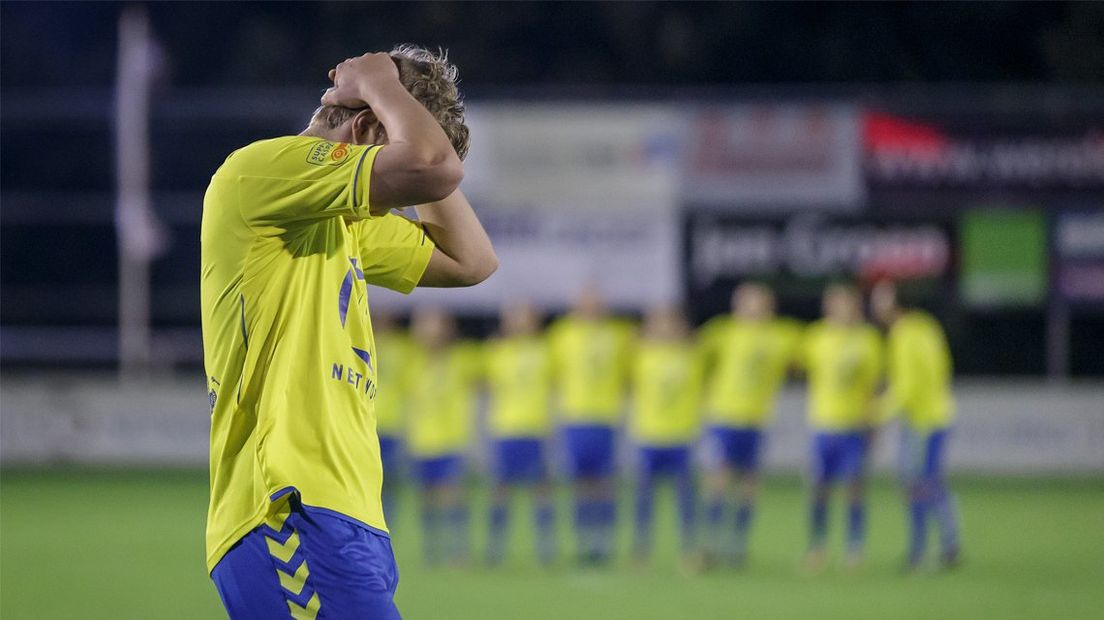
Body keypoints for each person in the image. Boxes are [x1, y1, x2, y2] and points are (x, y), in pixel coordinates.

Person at [202, 47, 497, 619]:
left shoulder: (343, 224)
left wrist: (401, 110)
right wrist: (388, 92)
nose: (400, 198)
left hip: (348, 517)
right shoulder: (260, 173)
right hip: (286, 507)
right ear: (366, 127)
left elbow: (471, 261)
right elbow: (433, 167)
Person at [698, 283, 800, 568]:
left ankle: (737, 544)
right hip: (722, 417)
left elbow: (801, 360)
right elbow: (693, 354)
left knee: (748, 485)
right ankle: (711, 541)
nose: (751, 308)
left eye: (757, 303)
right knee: (716, 479)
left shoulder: (782, 335)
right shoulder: (722, 331)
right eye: (746, 303)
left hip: (756, 420)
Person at [871, 281, 961, 571]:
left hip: (921, 422)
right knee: (932, 483)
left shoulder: (903, 334)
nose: (875, 304)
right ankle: (949, 544)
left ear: (894, 303)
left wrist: (877, 412)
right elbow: (943, 367)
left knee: (916, 486)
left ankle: (918, 550)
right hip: (939, 415)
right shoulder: (926, 326)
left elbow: (906, 386)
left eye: (880, 299)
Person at [548, 285, 634, 565]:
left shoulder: (619, 335)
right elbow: (553, 374)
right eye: (586, 301)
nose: (591, 307)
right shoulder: (562, 335)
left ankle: (604, 540)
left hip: (606, 418)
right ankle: (583, 539)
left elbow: (630, 372)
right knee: (579, 483)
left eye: (596, 301)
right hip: (575, 419)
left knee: (604, 482)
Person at [801, 283, 883, 571]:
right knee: (818, 489)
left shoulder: (868, 340)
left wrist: (874, 426)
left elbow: (874, 387)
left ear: (855, 307)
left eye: (844, 303)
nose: (838, 309)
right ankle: (817, 546)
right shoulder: (815, 337)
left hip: (854, 426)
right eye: (833, 304)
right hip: (823, 425)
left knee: (854, 488)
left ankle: (855, 547)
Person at [401, 307, 482, 566]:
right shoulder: (411, 362)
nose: (428, 333)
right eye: (423, 327)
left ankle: (458, 550)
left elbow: (485, 375)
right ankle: (431, 549)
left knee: (454, 498)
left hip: (451, 440)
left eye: (433, 326)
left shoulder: (461, 359)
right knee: (427, 501)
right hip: (422, 442)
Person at [628, 304, 704, 569]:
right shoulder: (640, 356)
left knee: (685, 498)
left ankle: (689, 550)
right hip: (649, 436)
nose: (664, 331)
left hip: (680, 436)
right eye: (658, 324)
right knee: (644, 498)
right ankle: (641, 550)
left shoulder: (691, 357)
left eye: (670, 325)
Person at [483, 300, 557, 566]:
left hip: (535, 430)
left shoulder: (546, 351)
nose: (518, 323)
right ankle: (495, 548)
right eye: (514, 317)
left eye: (523, 317)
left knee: (542, 490)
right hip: (505, 430)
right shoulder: (497, 352)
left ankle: (546, 548)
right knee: (500, 490)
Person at [373, 311, 416, 521]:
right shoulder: (356, 335)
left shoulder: (404, 347)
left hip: (391, 424)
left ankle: (387, 526)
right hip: (364, 425)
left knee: (388, 482)